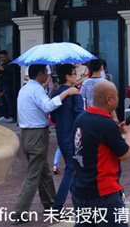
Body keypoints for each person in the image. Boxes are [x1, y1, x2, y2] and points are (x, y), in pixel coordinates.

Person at [12, 64, 80, 222]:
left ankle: (51, 206)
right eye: (46, 73)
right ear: (40, 74)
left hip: (27, 135)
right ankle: (19, 212)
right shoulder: (36, 89)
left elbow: (42, 107)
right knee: (33, 175)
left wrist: (51, 92)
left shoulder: (27, 88)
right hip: (36, 135)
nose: (48, 76)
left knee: (44, 173)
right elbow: (48, 106)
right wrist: (67, 92)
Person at [71, 81, 130, 226]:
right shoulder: (106, 123)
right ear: (109, 99)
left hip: (81, 191)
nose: (118, 99)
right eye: (116, 96)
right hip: (104, 194)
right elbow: (124, 154)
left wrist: (115, 133)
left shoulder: (81, 119)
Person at [50, 64, 84, 213]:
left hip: (61, 135)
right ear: (67, 77)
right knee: (71, 169)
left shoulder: (57, 94)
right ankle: (58, 206)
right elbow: (80, 117)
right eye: (74, 73)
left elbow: (55, 118)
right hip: (74, 137)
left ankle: (79, 204)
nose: (76, 76)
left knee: (72, 168)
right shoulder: (74, 94)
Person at [0, 50, 17, 121]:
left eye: (3, 57)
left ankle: (11, 115)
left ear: (7, 56)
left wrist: (3, 69)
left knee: (9, 100)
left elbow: (12, 73)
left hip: (8, 85)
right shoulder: (2, 65)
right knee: (3, 101)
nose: (2, 59)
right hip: (1, 84)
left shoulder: (10, 64)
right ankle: (4, 115)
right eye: (1, 57)